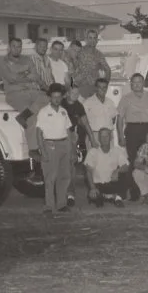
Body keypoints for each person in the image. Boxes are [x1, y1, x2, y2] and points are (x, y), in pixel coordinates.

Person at [117, 73, 148, 199]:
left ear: (143, 83)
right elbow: (120, 119)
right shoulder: (125, 98)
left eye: (139, 82)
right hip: (132, 130)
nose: (137, 84)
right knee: (134, 161)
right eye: (134, 82)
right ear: (131, 84)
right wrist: (120, 136)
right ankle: (135, 193)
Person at [35, 83, 75, 215]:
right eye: (54, 97)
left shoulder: (64, 111)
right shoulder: (44, 112)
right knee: (50, 177)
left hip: (64, 144)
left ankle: (61, 204)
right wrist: (42, 150)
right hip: (50, 145)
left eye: (59, 97)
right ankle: (49, 205)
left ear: (62, 97)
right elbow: (39, 132)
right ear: (50, 97)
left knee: (64, 176)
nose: (56, 99)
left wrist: (71, 149)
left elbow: (68, 130)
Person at [0, 38, 44, 128]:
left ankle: (23, 116)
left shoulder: (27, 59)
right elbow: (11, 79)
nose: (16, 49)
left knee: (48, 99)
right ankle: (31, 140)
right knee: (33, 120)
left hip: (32, 91)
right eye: (14, 46)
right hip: (15, 94)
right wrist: (27, 74)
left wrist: (19, 75)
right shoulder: (2, 63)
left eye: (19, 47)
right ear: (9, 47)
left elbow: (36, 76)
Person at [61, 85, 92, 208]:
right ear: (67, 93)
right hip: (56, 136)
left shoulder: (79, 106)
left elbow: (85, 122)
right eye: (73, 92)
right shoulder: (60, 103)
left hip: (71, 136)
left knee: (71, 166)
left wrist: (92, 138)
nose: (76, 95)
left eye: (77, 93)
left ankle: (70, 194)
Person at [84, 128, 128, 207]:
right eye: (102, 136)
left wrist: (117, 171)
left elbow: (126, 165)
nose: (104, 139)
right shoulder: (93, 152)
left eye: (106, 136)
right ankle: (111, 197)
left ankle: (115, 197)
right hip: (98, 184)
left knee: (124, 174)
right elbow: (88, 171)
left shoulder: (117, 150)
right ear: (99, 139)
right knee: (95, 198)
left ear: (111, 137)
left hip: (111, 183)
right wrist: (92, 188)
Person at [69, 29, 111, 100]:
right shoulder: (79, 51)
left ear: (97, 40)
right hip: (80, 87)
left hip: (93, 88)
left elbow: (108, 70)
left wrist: (104, 86)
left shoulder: (99, 54)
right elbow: (69, 66)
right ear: (86, 39)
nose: (92, 40)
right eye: (90, 38)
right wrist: (71, 85)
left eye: (94, 38)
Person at [83, 77, 119, 148]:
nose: (102, 89)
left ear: (107, 88)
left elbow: (113, 119)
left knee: (109, 158)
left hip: (108, 136)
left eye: (104, 87)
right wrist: (91, 138)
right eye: (100, 87)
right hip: (94, 136)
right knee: (94, 158)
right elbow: (83, 122)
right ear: (96, 88)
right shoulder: (87, 103)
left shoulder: (110, 102)